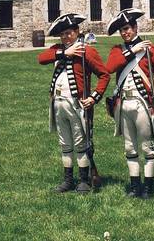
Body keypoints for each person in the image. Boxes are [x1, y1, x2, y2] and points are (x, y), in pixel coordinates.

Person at [38, 13, 110, 194]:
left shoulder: (87, 50)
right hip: (58, 103)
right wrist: (64, 53)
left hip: (76, 104)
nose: (66, 37)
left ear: (77, 32)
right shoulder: (58, 49)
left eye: (69, 33)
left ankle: (84, 180)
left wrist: (94, 97)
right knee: (65, 143)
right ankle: (68, 180)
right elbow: (42, 58)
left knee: (80, 143)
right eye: (63, 34)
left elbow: (104, 75)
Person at [104, 9, 154, 199]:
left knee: (148, 147)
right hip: (123, 103)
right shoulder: (118, 50)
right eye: (122, 30)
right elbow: (109, 68)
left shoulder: (150, 50)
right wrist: (132, 51)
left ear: (135, 27)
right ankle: (135, 187)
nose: (125, 33)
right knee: (129, 147)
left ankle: (148, 188)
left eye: (127, 28)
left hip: (143, 103)